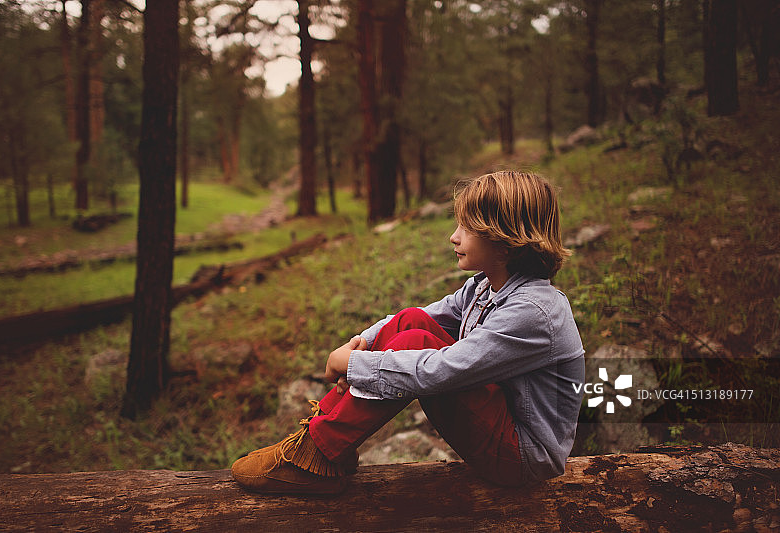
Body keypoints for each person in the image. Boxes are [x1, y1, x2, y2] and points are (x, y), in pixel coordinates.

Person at [231, 170, 585, 494]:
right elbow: (418, 318)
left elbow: (443, 369)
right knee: (410, 322)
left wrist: (355, 365)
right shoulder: (484, 286)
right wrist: (362, 342)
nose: (453, 236)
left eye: (467, 228)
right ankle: (321, 445)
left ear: (506, 242)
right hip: (498, 423)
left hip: (521, 457)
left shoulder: (535, 312)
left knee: (417, 345)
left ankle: (317, 453)